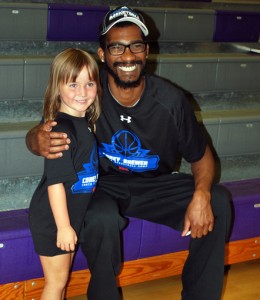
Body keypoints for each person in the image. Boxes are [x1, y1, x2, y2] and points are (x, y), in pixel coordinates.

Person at [26, 6, 232, 300]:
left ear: (146, 51)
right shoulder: (89, 92)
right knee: (100, 217)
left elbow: (202, 156)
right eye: (116, 47)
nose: (127, 56)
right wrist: (36, 139)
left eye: (135, 45)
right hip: (103, 185)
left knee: (219, 201)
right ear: (102, 54)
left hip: (155, 185)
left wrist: (202, 194)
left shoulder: (171, 101)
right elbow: (45, 130)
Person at [28, 48, 101, 300]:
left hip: (69, 215)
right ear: (57, 87)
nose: (82, 92)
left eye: (89, 83)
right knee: (56, 283)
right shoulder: (60, 130)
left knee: (62, 281)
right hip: (53, 218)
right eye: (73, 84)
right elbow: (55, 183)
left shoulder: (85, 123)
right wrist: (63, 227)